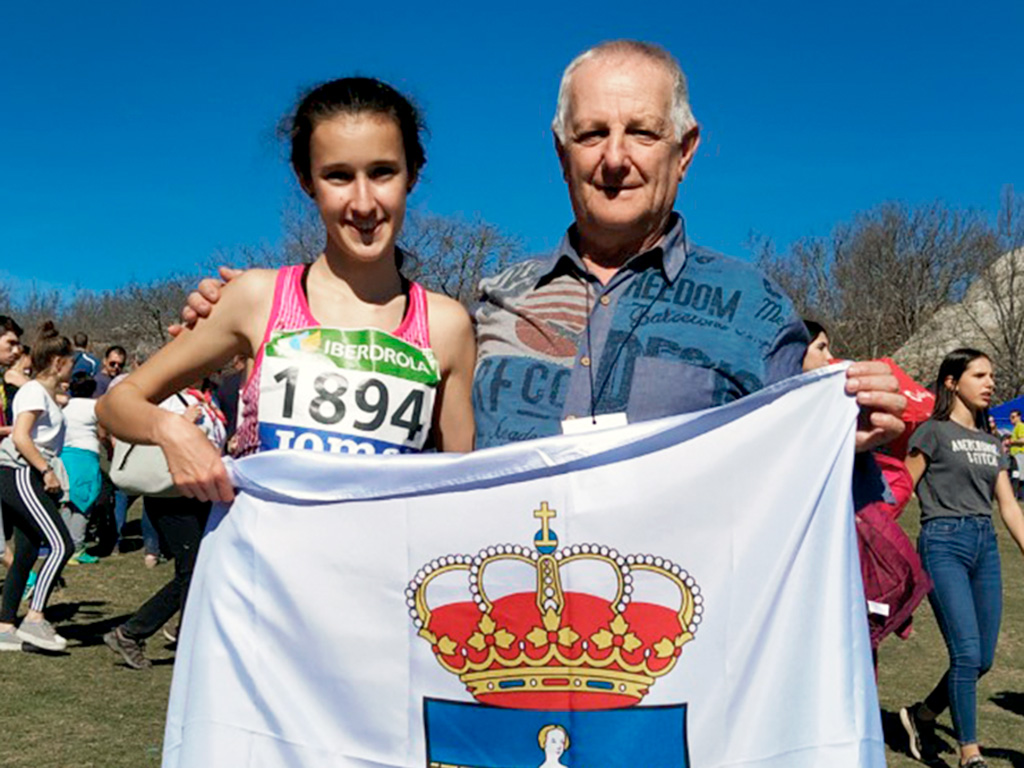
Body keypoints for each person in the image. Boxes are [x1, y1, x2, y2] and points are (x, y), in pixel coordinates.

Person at [179, 41, 904, 454]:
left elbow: (808, 461)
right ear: (562, 154)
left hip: (673, 661)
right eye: (591, 134)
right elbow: (412, 437)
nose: (614, 159)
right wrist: (257, 318)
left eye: (642, 133)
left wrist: (860, 431)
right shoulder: (488, 305)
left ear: (685, 151)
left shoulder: (755, 308)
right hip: (500, 661)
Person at [97, 77, 476, 504]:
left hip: (385, 568)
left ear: (413, 174)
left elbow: (457, 489)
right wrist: (171, 431)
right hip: (260, 565)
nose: (364, 202)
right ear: (306, 180)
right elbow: (116, 404)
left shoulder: (446, 326)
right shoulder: (257, 298)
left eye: (382, 172)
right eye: (338, 176)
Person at [898, 349, 1024, 768]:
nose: (990, 382)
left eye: (992, 375)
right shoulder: (932, 433)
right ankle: (971, 755)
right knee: (966, 653)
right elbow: (902, 489)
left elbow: (1008, 505)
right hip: (943, 541)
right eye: (979, 375)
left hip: (984, 545)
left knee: (983, 659)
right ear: (951, 382)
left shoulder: (993, 441)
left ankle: (921, 715)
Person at [103, 388, 226, 668]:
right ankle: (135, 633)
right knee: (193, 571)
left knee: (198, 569)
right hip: (170, 494)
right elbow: (132, 428)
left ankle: (172, 634)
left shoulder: (209, 397)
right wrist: (181, 421)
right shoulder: (167, 395)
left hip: (200, 491)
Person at [0, 322, 76, 652]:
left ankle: (4, 627)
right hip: (20, 472)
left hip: (24, 474)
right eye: (71, 361)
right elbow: (20, 436)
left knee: (27, 551)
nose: (74, 366)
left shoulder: (41, 392)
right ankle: (34, 618)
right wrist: (46, 471)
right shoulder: (32, 392)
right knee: (62, 544)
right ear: (58, 362)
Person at [60, 372, 108, 564]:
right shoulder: (95, 406)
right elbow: (103, 431)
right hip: (86, 456)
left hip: (65, 455)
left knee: (67, 500)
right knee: (85, 501)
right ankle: (77, 547)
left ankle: (62, 544)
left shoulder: (64, 406)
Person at [1007, 409, 1024, 498]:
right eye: (1010, 417)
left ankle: (1017, 496)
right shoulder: (1015, 428)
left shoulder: (1020, 426)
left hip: (1019, 455)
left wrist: (1011, 442)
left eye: (1013, 417)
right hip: (1015, 455)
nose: (1011, 419)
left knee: (1017, 476)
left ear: (1019, 417)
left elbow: (1022, 440)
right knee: (1015, 475)